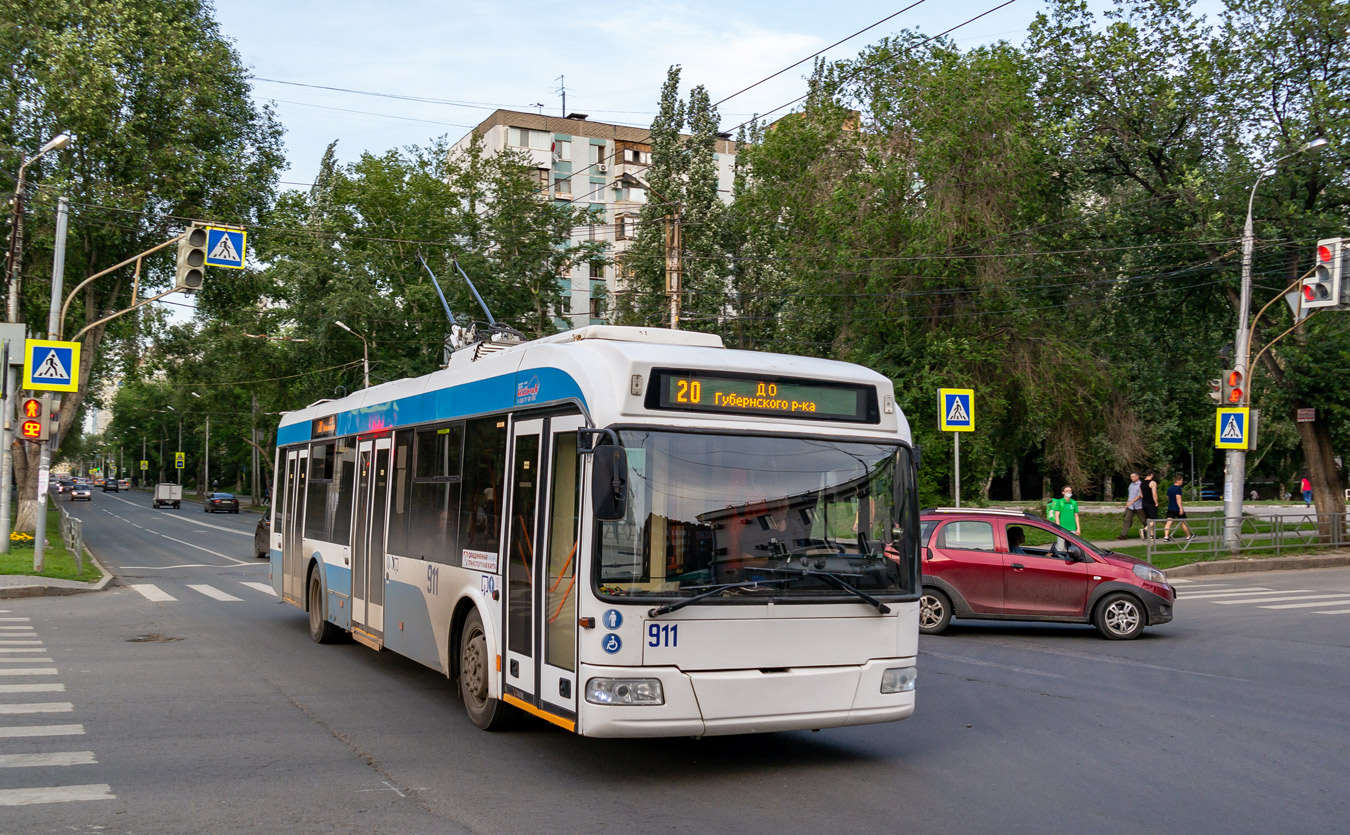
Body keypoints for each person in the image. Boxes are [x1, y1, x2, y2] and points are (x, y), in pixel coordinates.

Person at [1163, 475, 1194, 542]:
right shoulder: (1178, 489)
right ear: (1178, 480)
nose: (1182, 482)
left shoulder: (1169, 488)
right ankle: (1188, 536)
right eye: (1182, 480)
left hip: (1170, 508)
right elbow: (1178, 498)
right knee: (1184, 522)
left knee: (1168, 522)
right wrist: (1181, 508)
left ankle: (1166, 536)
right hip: (1177, 508)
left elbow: (1168, 497)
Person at [1121, 472, 1146, 539]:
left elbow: (1140, 495)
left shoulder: (1140, 485)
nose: (1131, 478)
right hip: (1130, 506)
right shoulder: (1131, 485)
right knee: (1127, 519)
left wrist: (1131, 502)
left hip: (1138, 505)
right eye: (1131, 477)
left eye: (1133, 476)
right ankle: (1123, 535)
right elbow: (1130, 495)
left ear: (1137, 477)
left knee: (1143, 520)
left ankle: (1148, 532)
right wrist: (1127, 503)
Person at [1140, 470, 1160, 540]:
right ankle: (1144, 530)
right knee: (1154, 519)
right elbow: (1154, 494)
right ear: (1151, 475)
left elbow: (1141, 495)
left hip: (1144, 502)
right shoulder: (1152, 483)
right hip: (1151, 503)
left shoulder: (1141, 483)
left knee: (1149, 519)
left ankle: (1152, 535)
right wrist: (1156, 502)